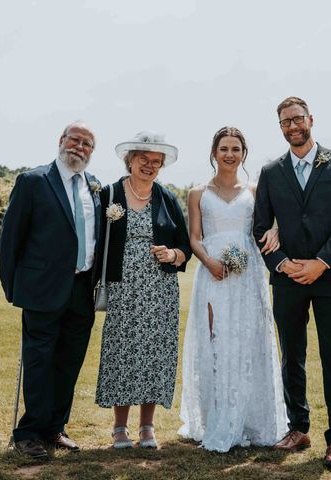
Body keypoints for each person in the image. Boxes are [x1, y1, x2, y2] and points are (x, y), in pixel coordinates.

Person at [253, 97, 331, 471]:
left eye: (297, 119)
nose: (292, 126)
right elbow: (261, 228)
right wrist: (281, 264)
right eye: (285, 122)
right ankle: (298, 428)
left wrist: (320, 263)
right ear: (280, 127)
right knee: (291, 355)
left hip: (330, 276)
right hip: (288, 280)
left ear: (310, 119)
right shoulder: (270, 172)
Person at [178, 127, 288, 452]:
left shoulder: (255, 190)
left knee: (247, 342)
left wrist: (277, 233)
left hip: (247, 274)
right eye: (223, 148)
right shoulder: (198, 192)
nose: (229, 154)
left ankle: (249, 420)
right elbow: (194, 237)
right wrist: (210, 263)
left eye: (236, 149)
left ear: (243, 154)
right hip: (212, 273)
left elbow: (273, 224)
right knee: (215, 342)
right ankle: (216, 417)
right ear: (214, 152)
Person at [0, 121, 102, 458]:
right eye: (75, 140)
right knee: (40, 360)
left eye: (87, 144)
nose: (80, 147)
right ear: (61, 141)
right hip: (41, 288)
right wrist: (12, 286)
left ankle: (55, 428)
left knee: (69, 361)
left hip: (81, 288)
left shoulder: (95, 187)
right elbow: (12, 237)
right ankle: (28, 432)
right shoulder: (33, 181)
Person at [95, 131, 191, 449]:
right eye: (143, 159)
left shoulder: (168, 198)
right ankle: (119, 428)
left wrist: (173, 255)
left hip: (160, 288)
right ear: (130, 160)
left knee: (154, 354)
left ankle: (147, 427)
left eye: (156, 162)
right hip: (123, 287)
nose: (149, 166)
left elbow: (185, 247)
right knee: (122, 353)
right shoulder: (109, 195)